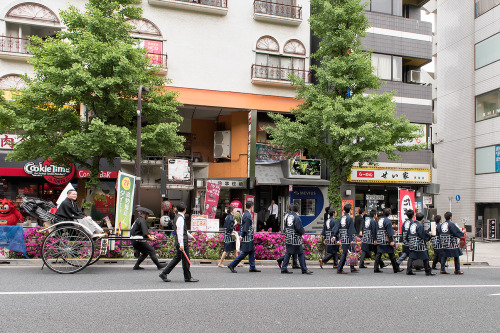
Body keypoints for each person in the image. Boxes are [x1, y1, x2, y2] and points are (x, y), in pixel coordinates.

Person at [159, 202, 198, 282]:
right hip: (182, 241)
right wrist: (182, 244)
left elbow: (183, 231)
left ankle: (164, 273)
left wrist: (190, 237)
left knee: (177, 258)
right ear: (185, 209)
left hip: (180, 241)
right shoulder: (180, 218)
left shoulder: (178, 217)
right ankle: (187, 277)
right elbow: (180, 232)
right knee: (186, 260)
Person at [227, 201, 261, 273]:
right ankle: (232, 265)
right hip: (247, 237)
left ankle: (252, 267)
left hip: (248, 236)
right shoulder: (248, 215)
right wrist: (242, 235)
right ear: (252, 206)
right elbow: (246, 227)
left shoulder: (244, 214)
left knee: (251, 251)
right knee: (245, 252)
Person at [280, 204, 312, 274]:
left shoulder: (286, 216)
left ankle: (284, 268)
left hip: (288, 236)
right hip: (295, 237)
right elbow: (299, 228)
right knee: (300, 253)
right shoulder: (296, 217)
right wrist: (302, 234)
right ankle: (304, 269)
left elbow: (285, 226)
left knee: (288, 252)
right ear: (297, 210)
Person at [374, 208, 404, 273]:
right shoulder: (387, 221)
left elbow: (376, 230)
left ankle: (375, 268)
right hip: (386, 239)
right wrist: (391, 241)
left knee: (378, 254)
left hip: (379, 238)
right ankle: (395, 269)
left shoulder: (379, 220)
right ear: (389, 214)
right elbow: (389, 231)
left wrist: (375, 239)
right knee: (391, 254)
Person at [333, 203, 358, 274]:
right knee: (345, 253)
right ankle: (339, 268)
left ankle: (352, 267)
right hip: (348, 238)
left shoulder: (341, 218)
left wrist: (334, 236)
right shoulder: (350, 218)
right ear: (350, 210)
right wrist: (352, 240)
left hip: (343, 237)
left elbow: (337, 227)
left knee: (350, 252)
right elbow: (350, 229)